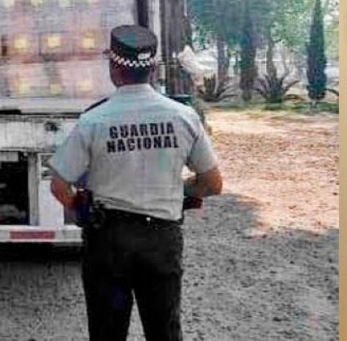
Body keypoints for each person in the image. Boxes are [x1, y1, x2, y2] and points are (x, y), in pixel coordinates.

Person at [49, 25, 222, 341]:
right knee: (164, 331)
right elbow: (212, 183)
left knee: (109, 331)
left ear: (114, 69)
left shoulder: (94, 120)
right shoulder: (183, 117)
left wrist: (81, 210)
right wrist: (181, 191)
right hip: (160, 243)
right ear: (153, 69)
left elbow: (59, 185)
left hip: (110, 246)